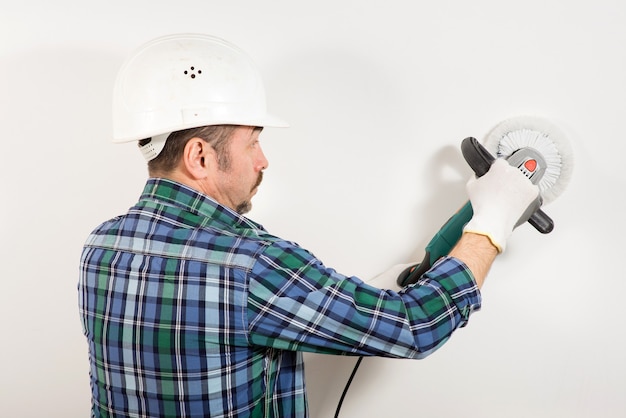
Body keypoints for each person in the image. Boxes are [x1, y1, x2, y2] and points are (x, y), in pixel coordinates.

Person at [78, 33, 539, 418]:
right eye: (252, 143)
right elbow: (416, 327)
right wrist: (492, 223)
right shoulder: (251, 265)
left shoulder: (101, 245)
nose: (263, 160)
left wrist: (363, 295)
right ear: (200, 156)